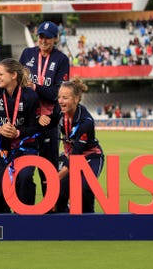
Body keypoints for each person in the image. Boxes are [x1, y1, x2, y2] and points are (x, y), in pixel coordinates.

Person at [19, 20, 70, 198]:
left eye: (48, 38)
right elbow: (20, 85)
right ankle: (27, 212)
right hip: (29, 122)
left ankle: (51, 212)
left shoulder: (61, 59)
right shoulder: (27, 53)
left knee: (48, 171)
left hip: (49, 124)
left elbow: (57, 93)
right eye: (41, 36)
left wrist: (35, 87)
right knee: (25, 171)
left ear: (55, 39)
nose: (43, 40)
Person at [0, 58, 40, 212]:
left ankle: (25, 219)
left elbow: (35, 127)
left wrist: (18, 132)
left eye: (0, 74)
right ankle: (4, 222)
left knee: (25, 177)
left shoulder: (30, 96)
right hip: (0, 147)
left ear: (13, 75)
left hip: (25, 146)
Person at [54, 77, 104, 213]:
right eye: (59, 97)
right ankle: (64, 220)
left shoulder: (86, 121)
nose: (60, 101)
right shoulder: (59, 113)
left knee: (84, 188)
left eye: (65, 98)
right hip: (70, 155)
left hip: (90, 157)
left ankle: (88, 222)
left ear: (76, 99)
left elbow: (77, 154)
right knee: (58, 193)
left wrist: (58, 175)